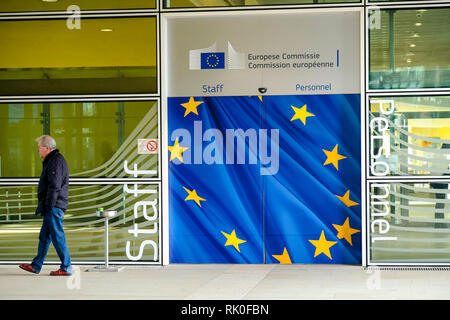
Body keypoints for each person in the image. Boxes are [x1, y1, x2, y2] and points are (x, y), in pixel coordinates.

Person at [19, 135, 72, 276]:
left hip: (54, 206)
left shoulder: (55, 161)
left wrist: (49, 206)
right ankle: (36, 265)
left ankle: (66, 267)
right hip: (52, 205)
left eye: (39, 148)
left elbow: (54, 186)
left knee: (57, 236)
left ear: (47, 148)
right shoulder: (52, 160)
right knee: (44, 237)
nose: (38, 151)